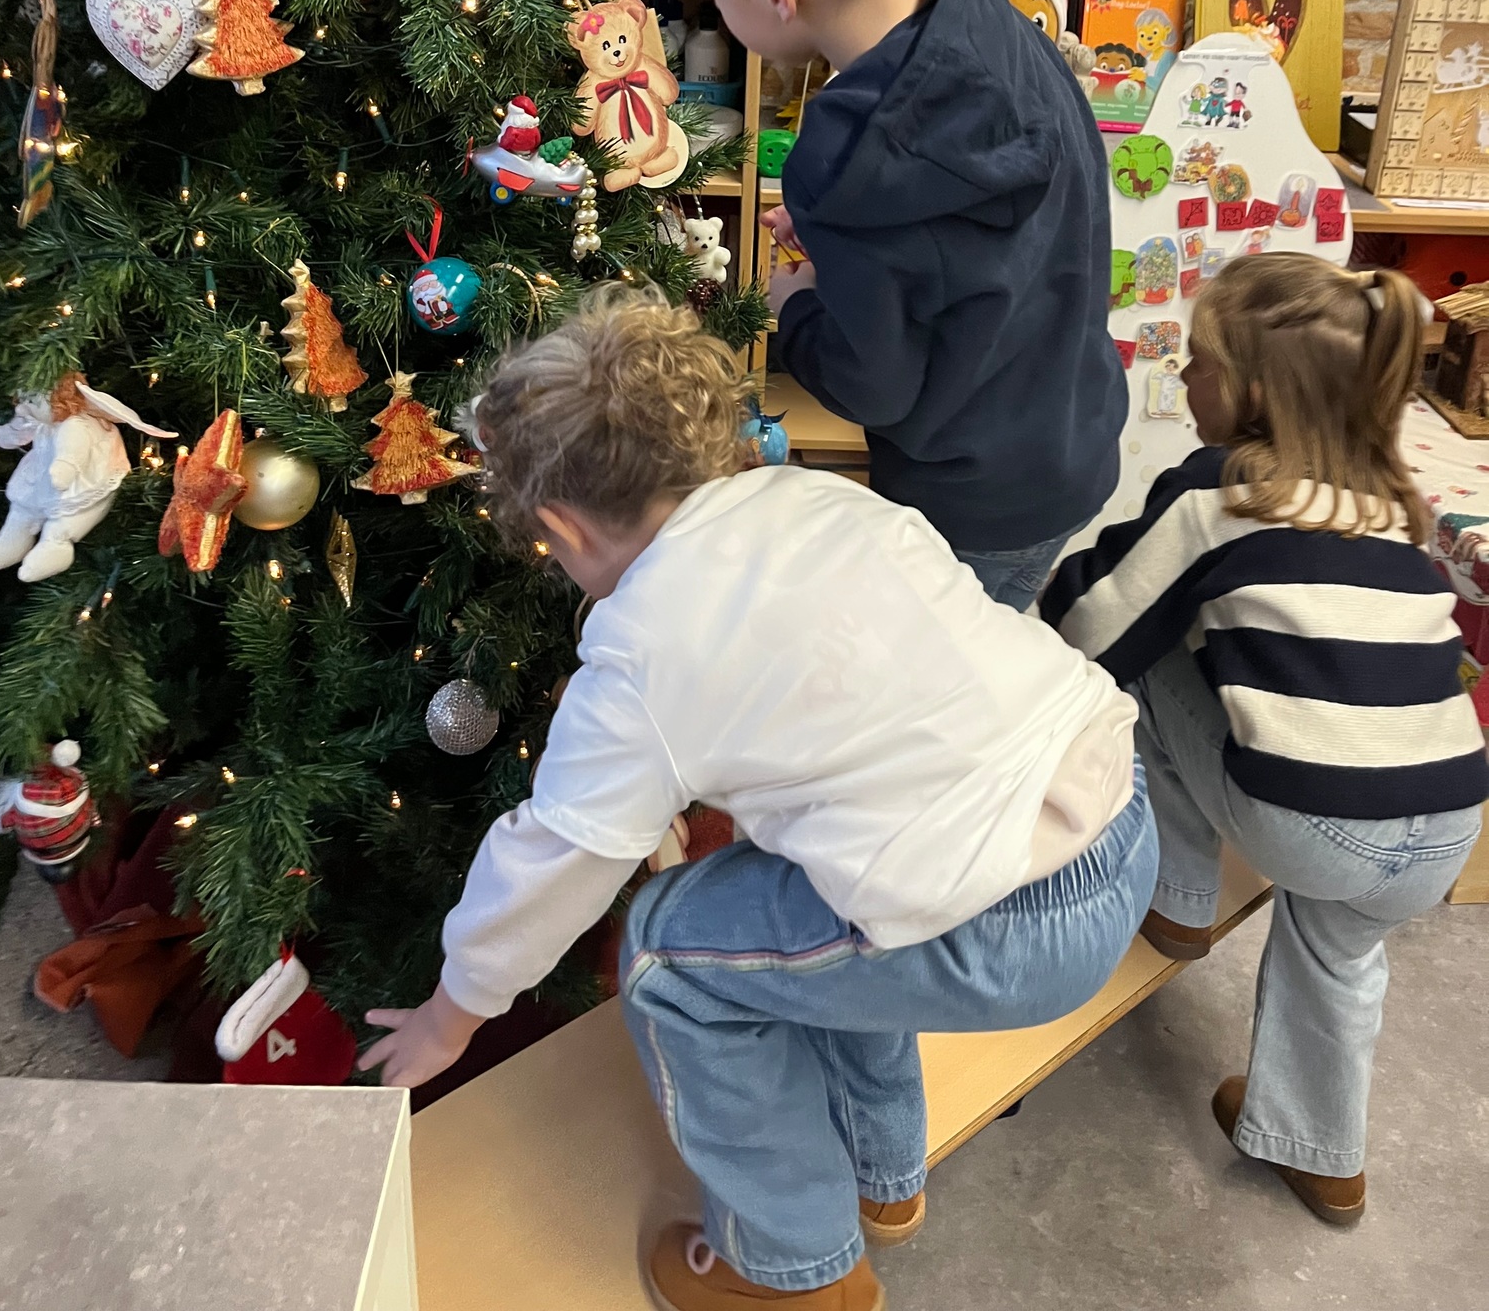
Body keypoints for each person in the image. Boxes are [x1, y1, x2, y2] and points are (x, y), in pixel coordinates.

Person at [359, 289, 1155, 1311]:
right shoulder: (821, 499)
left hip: (1010, 918)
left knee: (669, 949)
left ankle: (787, 1267)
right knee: (811, 903)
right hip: (1115, 808)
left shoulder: (644, 649)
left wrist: (454, 1010)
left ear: (558, 525)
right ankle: (882, 1172)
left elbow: (555, 854)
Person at [1042, 255, 1488, 1227]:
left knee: (1151, 667)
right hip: (1449, 824)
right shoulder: (1390, 507)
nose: (1184, 377)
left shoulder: (1218, 492)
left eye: (1198, 363)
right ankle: (1321, 1153)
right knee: (1340, 947)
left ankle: (1176, 901)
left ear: (1248, 391)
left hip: (1320, 828)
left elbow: (1093, 626)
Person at [650, 0, 1125, 609]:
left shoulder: (849, 153)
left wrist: (799, 305)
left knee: (937, 660)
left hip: (966, 498)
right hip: (1068, 442)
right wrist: (849, 241)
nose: (713, 4)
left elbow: (874, 383)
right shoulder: (991, 19)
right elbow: (995, 229)